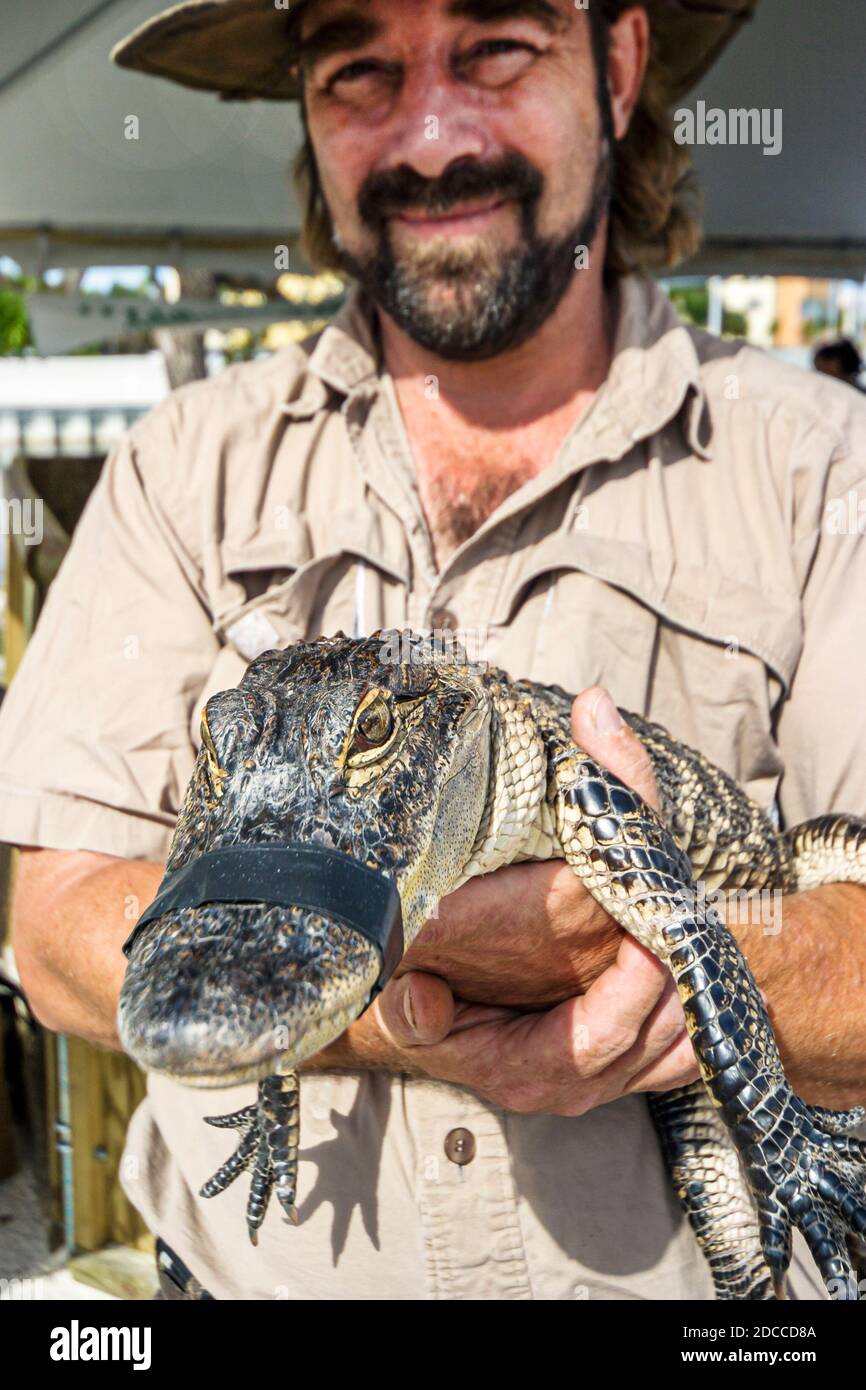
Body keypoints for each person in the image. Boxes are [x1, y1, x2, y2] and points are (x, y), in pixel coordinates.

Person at [2, 0, 866, 1301]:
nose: (429, 132)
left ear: (616, 66)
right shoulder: (182, 464)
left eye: (496, 47)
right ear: (306, 108)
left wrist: (649, 956)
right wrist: (439, 975)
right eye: (359, 67)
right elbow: (61, 931)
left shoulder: (823, 463)